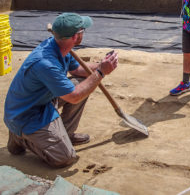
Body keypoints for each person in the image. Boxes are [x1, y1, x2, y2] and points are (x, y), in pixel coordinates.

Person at [4, 12, 118, 168]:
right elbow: (74, 96)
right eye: (83, 31)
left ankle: (66, 134)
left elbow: (77, 70)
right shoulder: (46, 63)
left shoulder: (59, 46)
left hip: (42, 100)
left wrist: (102, 66)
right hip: (27, 115)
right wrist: (100, 73)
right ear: (75, 37)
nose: (84, 33)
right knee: (65, 157)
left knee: (86, 81)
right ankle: (21, 138)